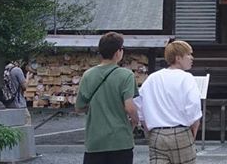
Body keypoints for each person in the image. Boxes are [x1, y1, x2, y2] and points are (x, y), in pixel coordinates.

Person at [75, 32, 139, 164]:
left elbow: (79, 108)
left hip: (95, 141)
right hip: (120, 140)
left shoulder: (88, 75)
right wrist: (135, 121)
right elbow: (129, 107)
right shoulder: (126, 75)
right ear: (117, 52)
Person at [136, 40, 202, 164]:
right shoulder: (186, 78)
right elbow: (194, 106)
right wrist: (193, 129)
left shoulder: (153, 78)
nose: (191, 58)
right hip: (180, 131)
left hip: (157, 133)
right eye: (188, 54)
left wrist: (146, 126)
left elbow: (139, 103)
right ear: (178, 58)